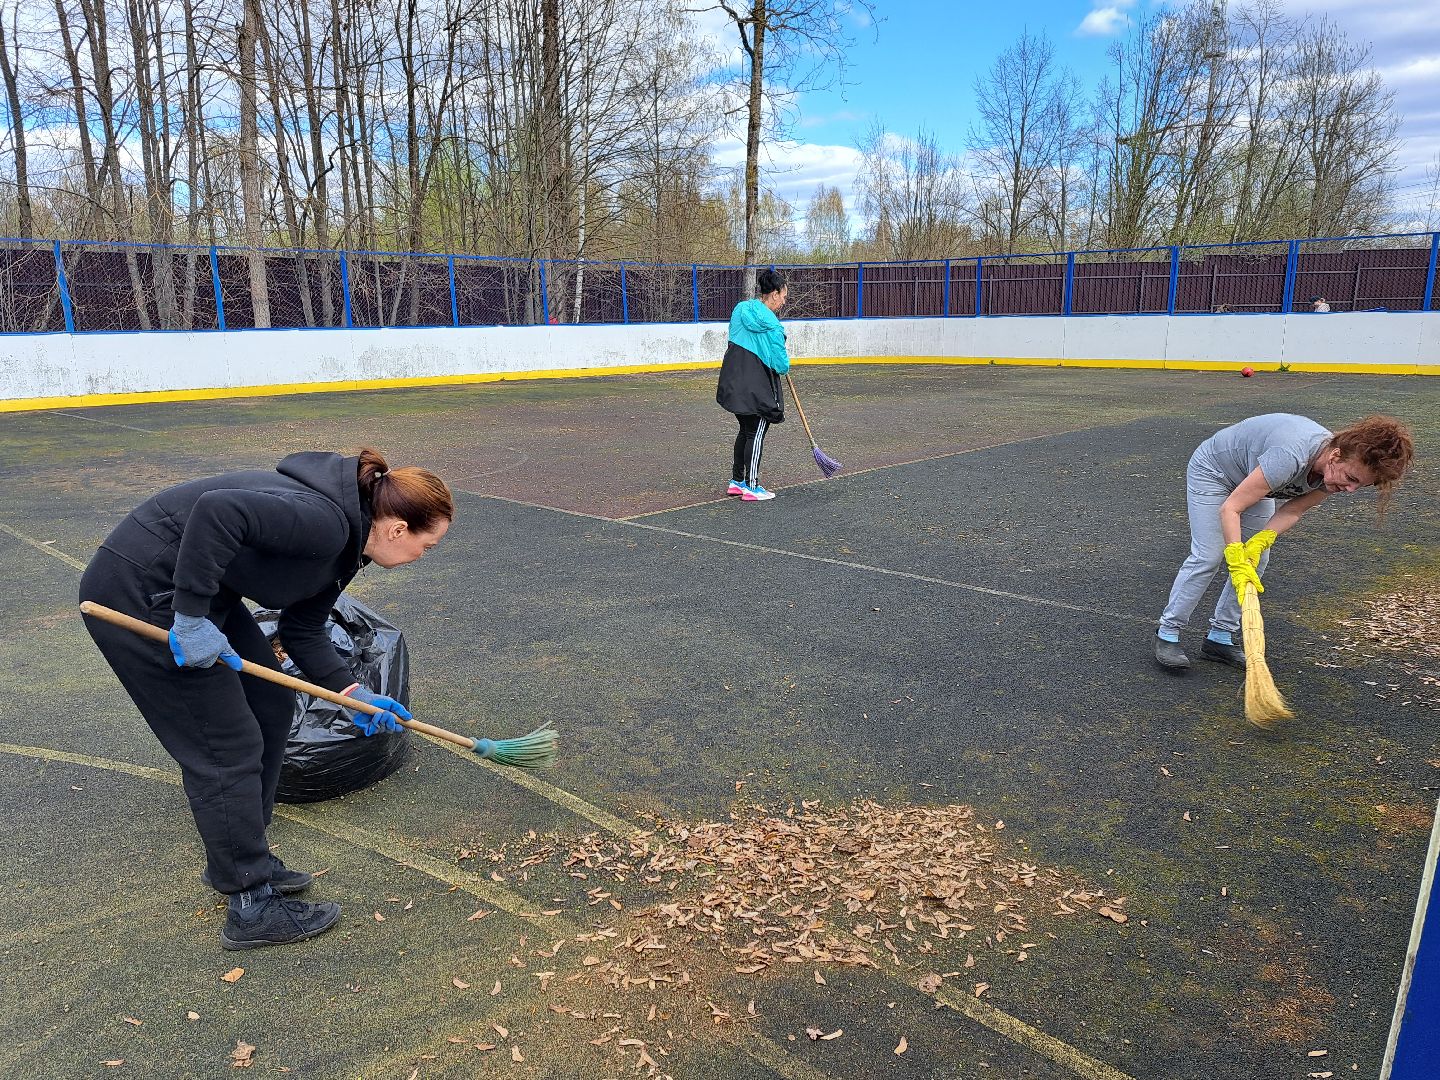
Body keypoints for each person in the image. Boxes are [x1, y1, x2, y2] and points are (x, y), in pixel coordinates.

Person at [79, 448, 453, 949]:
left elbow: (303, 630)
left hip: (202, 593)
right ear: (398, 529)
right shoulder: (326, 525)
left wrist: (353, 693)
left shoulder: (350, 547)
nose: (423, 555)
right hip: (140, 592)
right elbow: (219, 511)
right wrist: (189, 618)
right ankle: (250, 902)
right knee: (226, 746)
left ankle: (246, 854)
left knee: (272, 705)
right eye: (427, 545)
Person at [1155, 414, 1413, 670]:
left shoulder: (1335, 473)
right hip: (1215, 472)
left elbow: (1293, 510)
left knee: (1256, 559)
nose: (1350, 490)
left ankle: (1219, 637)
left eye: (1360, 486)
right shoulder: (1290, 455)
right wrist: (1234, 553)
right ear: (1334, 456)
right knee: (1210, 555)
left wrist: (1262, 540)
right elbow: (1231, 508)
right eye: (1352, 479)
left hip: (1256, 481)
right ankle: (1168, 632)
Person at [717, 269, 790, 501]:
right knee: (757, 431)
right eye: (784, 296)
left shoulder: (739, 309)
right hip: (757, 386)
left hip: (733, 380)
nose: (784, 301)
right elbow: (781, 366)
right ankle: (751, 486)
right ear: (775, 294)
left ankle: (737, 481)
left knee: (745, 430)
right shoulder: (774, 327)